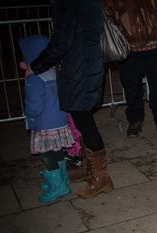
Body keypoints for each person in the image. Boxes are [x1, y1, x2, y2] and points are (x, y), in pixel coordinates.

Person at [22, 0, 113, 199]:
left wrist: (36, 66)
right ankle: (90, 168)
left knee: (84, 121)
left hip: (79, 69)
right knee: (81, 120)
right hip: (86, 65)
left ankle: (102, 178)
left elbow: (61, 41)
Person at [102, 0, 157, 137]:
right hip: (129, 50)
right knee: (131, 88)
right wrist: (120, 35)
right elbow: (108, 14)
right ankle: (135, 120)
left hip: (155, 47)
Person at [19, 35, 73, 203]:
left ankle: (58, 186)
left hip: (44, 123)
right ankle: (63, 179)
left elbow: (34, 104)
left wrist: (30, 117)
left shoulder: (34, 78)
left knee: (46, 154)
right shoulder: (53, 71)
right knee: (57, 150)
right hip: (59, 120)